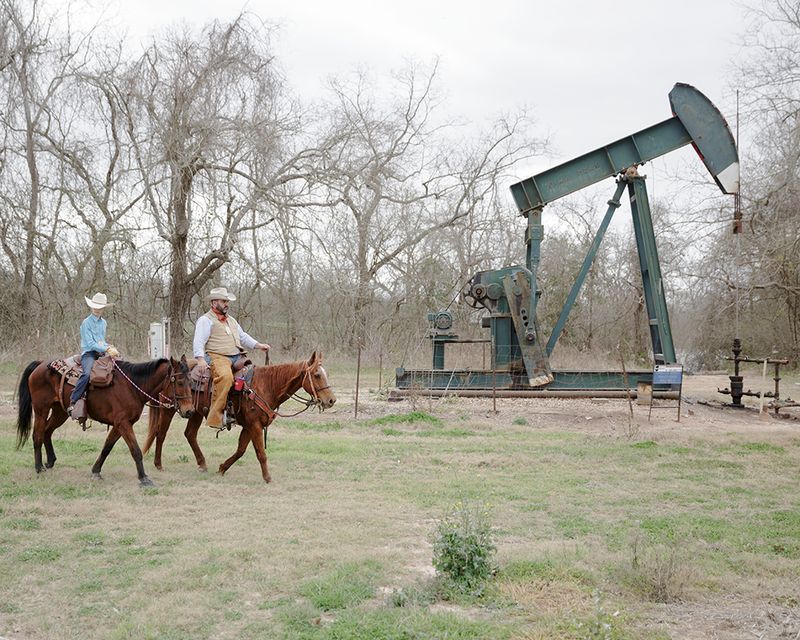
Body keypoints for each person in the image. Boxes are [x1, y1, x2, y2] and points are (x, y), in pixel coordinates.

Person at [193, 286, 270, 429]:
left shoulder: (232, 320)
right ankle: (216, 417)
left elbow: (243, 336)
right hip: (217, 357)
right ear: (214, 302)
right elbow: (198, 340)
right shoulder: (205, 320)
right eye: (224, 301)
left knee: (253, 377)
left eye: (227, 301)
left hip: (237, 357)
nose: (227, 304)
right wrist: (200, 359)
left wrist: (258, 345)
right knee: (226, 377)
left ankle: (241, 412)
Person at [68, 292, 120, 423]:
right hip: (89, 353)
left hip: (101, 353)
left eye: (100, 307)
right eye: (95, 306)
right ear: (91, 307)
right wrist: (106, 348)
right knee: (86, 374)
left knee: (118, 367)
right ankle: (73, 400)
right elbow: (91, 343)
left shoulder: (104, 323)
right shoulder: (86, 323)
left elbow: (100, 341)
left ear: (103, 308)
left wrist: (110, 347)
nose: (97, 309)